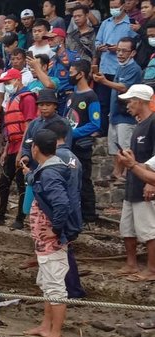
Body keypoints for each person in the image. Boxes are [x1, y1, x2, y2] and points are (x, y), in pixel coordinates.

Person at [22, 129, 79, 337]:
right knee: (47, 284)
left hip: (51, 242)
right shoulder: (48, 169)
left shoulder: (51, 173)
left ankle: (55, 334)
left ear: (36, 149)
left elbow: (62, 203)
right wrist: (28, 173)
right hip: (44, 243)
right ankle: (46, 326)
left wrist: (55, 230)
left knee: (55, 287)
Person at [0, 69, 36, 229]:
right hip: (12, 145)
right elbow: (10, 128)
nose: (6, 86)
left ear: (17, 80)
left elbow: (28, 125)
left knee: (21, 183)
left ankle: (20, 219)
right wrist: (6, 150)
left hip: (23, 146)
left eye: (8, 82)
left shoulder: (27, 98)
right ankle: (0, 216)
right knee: (4, 183)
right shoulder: (13, 98)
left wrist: (22, 150)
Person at [114, 84, 155, 281]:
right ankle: (131, 263)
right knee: (127, 226)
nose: (128, 105)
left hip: (145, 182)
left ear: (140, 101)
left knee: (148, 228)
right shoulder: (139, 124)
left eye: (130, 101)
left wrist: (151, 182)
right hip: (133, 180)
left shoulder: (153, 123)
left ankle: (152, 269)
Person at [46, 120, 87, 299]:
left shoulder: (56, 159)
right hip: (74, 209)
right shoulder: (73, 158)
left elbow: (57, 194)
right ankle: (72, 289)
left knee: (62, 251)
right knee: (65, 249)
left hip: (62, 211)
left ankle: (72, 290)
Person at [94, 37, 142, 182]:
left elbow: (123, 87)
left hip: (126, 115)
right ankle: (117, 172)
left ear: (132, 53)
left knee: (125, 146)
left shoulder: (134, 68)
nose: (120, 53)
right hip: (115, 113)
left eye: (124, 51)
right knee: (115, 147)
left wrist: (104, 81)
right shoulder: (121, 66)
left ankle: (129, 174)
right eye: (118, 50)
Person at [65, 60, 101, 224]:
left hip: (81, 145)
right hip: (68, 145)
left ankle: (89, 215)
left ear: (81, 74)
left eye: (72, 73)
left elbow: (95, 123)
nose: (70, 76)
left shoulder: (91, 96)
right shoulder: (72, 94)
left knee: (84, 179)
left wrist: (73, 133)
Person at [95, 0, 138, 135]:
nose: (113, 9)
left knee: (120, 102)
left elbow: (135, 44)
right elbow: (97, 41)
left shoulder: (130, 24)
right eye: (111, 7)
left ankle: (122, 130)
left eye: (116, 7)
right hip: (105, 67)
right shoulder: (105, 23)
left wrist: (118, 49)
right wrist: (100, 46)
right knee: (103, 102)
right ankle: (103, 130)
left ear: (123, 6)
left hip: (121, 69)